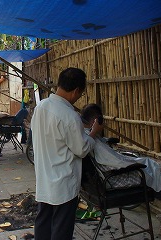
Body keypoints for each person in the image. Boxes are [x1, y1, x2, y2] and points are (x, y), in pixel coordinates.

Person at [30, 67, 103, 240]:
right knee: (61, 229)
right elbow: (82, 149)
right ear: (77, 90)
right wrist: (94, 132)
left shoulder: (41, 107)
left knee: (44, 222)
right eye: (80, 94)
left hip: (44, 177)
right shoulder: (69, 116)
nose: (78, 98)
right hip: (63, 182)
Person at [80, 103, 161, 213]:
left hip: (104, 178)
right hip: (113, 179)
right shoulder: (92, 140)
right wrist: (132, 162)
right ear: (96, 121)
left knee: (153, 172)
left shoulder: (86, 137)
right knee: (150, 168)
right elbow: (118, 161)